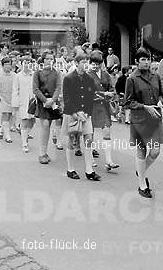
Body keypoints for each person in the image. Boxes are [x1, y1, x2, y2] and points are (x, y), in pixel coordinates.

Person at [125, 47, 163, 198]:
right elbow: (128, 102)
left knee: (155, 152)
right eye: (143, 59)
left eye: (148, 59)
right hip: (139, 120)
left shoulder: (156, 76)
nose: (146, 62)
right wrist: (145, 107)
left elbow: (161, 94)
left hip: (154, 119)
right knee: (141, 150)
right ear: (136, 62)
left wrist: (161, 102)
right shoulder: (131, 79)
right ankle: (142, 184)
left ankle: (140, 170)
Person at [62, 52, 100, 181]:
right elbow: (67, 99)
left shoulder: (89, 79)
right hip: (72, 114)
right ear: (76, 63)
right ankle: (70, 169)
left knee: (89, 139)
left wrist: (87, 113)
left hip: (86, 115)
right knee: (72, 142)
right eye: (83, 62)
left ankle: (89, 170)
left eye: (86, 62)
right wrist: (76, 113)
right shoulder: (68, 78)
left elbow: (91, 97)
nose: (85, 65)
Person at [88, 50, 120, 171]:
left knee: (107, 132)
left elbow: (112, 88)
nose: (95, 65)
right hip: (91, 106)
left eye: (98, 63)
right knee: (89, 134)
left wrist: (114, 96)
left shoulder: (106, 74)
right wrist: (104, 93)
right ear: (90, 63)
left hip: (104, 106)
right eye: (93, 63)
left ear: (101, 63)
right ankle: (89, 158)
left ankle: (108, 160)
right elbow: (88, 92)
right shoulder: (87, 75)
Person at [32, 50, 62, 165]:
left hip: (53, 102)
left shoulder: (57, 72)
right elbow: (35, 89)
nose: (50, 61)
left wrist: (53, 100)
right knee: (44, 125)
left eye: (51, 59)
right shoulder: (37, 72)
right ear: (43, 60)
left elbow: (58, 87)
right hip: (41, 102)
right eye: (47, 59)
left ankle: (45, 152)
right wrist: (45, 100)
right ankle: (41, 153)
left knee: (48, 126)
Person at [12, 55, 35, 152]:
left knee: (32, 121)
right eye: (25, 63)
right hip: (23, 101)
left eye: (29, 63)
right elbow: (15, 90)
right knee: (25, 121)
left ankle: (24, 133)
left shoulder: (34, 75)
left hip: (33, 102)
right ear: (21, 64)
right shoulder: (18, 76)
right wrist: (15, 104)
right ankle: (24, 143)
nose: (27, 65)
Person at [0, 57, 15, 143]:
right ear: (2, 66)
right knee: (5, 114)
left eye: (9, 64)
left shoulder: (14, 75)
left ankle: (2, 129)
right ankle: (7, 136)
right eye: (5, 64)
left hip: (12, 98)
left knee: (10, 116)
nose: (7, 66)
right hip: (2, 97)